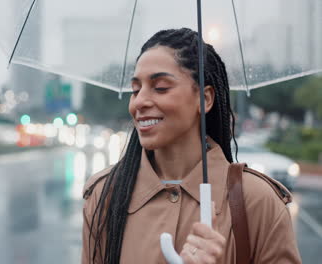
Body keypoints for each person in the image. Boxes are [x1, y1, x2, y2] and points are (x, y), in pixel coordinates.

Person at [81, 28, 301, 264]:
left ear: (204, 99)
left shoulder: (258, 201)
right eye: (136, 90)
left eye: (161, 87)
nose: (140, 102)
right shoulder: (105, 196)